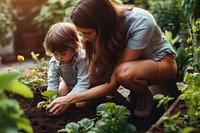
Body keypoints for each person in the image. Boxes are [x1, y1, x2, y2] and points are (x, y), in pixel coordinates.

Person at [46, 0, 177, 117]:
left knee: (124, 73)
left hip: (161, 63)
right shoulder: (103, 29)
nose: (84, 39)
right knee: (89, 88)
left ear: (102, 23)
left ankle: (145, 96)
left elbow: (113, 83)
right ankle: (131, 92)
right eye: (81, 33)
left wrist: (70, 98)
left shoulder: (141, 21)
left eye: (88, 33)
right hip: (130, 65)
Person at [37, 22, 91, 109]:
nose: (59, 58)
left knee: (81, 104)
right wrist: (50, 101)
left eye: (63, 53)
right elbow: (52, 82)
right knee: (61, 92)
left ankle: (98, 99)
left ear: (74, 46)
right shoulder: (54, 62)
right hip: (69, 83)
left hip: (88, 86)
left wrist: (67, 99)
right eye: (55, 54)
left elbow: (83, 83)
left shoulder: (82, 58)